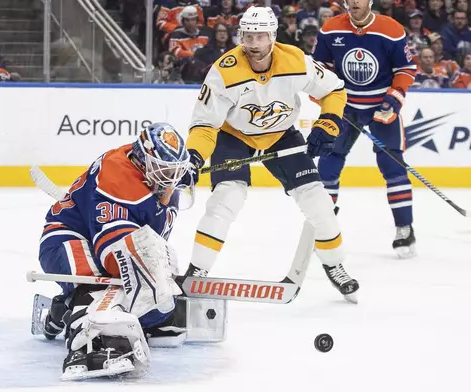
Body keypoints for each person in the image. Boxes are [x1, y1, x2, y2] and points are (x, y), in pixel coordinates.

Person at [182, 6, 359, 303]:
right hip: (234, 137)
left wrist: (328, 122)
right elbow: (204, 125)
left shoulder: (296, 60)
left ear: (273, 36)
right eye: (248, 36)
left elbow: (335, 90)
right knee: (226, 198)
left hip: (281, 135)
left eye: (260, 36)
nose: (253, 44)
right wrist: (195, 155)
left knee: (317, 200)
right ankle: (198, 269)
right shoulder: (223, 71)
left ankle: (334, 263)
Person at [38, 123, 190, 380]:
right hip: (66, 238)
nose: (171, 177)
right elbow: (113, 256)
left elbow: (148, 240)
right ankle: (85, 342)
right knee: (96, 285)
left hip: (105, 243)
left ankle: (63, 308)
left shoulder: (161, 181)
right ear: (142, 160)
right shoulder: (116, 177)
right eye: (164, 169)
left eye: (175, 170)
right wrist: (148, 276)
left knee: (159, 306)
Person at [312, 0, 418, 258]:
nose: (354, 3)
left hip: (381, 107)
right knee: (328, 161)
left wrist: (393, 100)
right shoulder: (331, 29)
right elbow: (318, 68)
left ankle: (405, 227)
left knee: (393, 166)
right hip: (345, 107)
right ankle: (325, 228)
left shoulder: (391, 29)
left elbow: (405, 69)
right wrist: (327, 97)